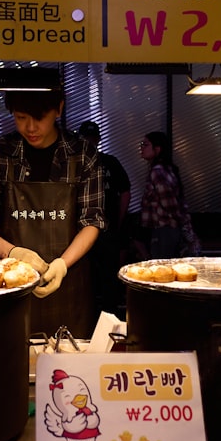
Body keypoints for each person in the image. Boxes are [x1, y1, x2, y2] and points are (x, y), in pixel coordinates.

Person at [0, 87, 105, 337]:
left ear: (59, 109)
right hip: (12, 283)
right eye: (20, 117)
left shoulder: (83, 154)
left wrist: (62, 264)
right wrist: (12, 253)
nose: (30, 127)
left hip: (69, 285)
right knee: (13, 354)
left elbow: (92, 221)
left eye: (39, 118)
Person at [77, 120, 131, 315]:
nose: (89, 143)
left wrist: (118, 220)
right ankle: (87, 313)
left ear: (98, 140)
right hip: (80, 230)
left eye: (92, 139)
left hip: (108, 229)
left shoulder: (110, 162)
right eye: (86, 140)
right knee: (85, 273)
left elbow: (125, 192)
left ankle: (109, 314)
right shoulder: (74, 164)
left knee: (109, 273)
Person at [138, 130, 200, 259]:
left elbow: (169, 203)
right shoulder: (166, 169)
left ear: (157, 149)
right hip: (167, 228)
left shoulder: (158, 171)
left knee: (163, 264)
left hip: (165, 228)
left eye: (146, 144)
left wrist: (181, 223)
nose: (142, 148)